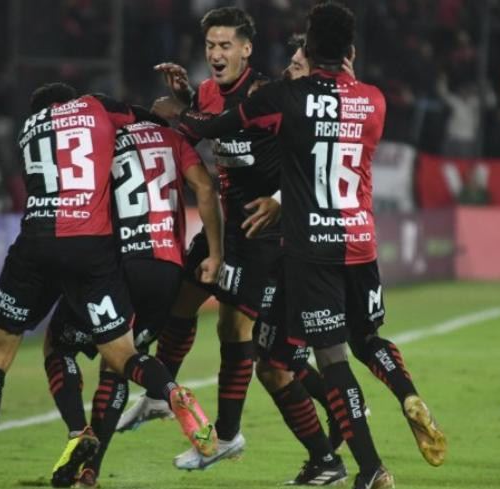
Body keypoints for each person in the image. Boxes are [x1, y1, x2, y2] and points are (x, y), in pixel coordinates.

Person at [154, 3, 447, 488]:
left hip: (310, 249)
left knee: (330, 362)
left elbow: (210, 128)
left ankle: (370, 469)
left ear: (307, 49)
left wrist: (177, 111)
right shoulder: (374, 100)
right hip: (362, 244)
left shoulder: (286, 97)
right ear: (350, 53)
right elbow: (340, 112)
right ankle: (405, 394)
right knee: (360, 341)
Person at [0, 83, 218, 489]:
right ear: (71, 101)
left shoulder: (28, 128)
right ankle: (171, 390)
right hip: (94, 248)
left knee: (3, 351)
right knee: (121, 354)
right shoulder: (95, 108)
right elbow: (142, 119)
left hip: (36, 241)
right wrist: (174, 113)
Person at [117, 7, 283, 471]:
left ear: (246, 49)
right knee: (181, 301)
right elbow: (208, 121)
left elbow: (303, 155)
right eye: (210, 46)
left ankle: (228, 435)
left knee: (234, 329)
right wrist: (189, 99)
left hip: (263, 231)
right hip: (228, 226)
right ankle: (157, 395)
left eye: (226, 45)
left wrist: (280, 198)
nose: (216, 53)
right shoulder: (208, 92)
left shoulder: (265, 94)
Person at [43, 119, 224, 488]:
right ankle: (171, 392)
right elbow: (205, 188)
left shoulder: (109, 138)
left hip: (121, 264)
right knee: (120, 365)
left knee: (59, 343)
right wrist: (216, 253)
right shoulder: (174, 138)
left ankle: (80, 437)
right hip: (166, 270)